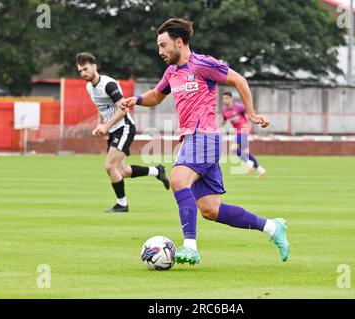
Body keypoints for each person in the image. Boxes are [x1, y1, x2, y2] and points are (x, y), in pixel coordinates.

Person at [121, 18, 289, 264]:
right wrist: (135, 99)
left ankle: (190, 247)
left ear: (179, 42)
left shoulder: (203, 64)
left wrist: (251, 114)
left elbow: (238, 80)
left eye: (163, 45)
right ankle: (272, 228)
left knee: (178, 179)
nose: (160, 51)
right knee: (211, 209)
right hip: (192, 138)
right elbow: (156, 96)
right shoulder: (171, 72)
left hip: (205, 137)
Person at [76, 52, 170, 213]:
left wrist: (106, 126)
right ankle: (157, 171)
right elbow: (101, 106)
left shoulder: (108, 85)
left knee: (109, 166)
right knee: (122, 170)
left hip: (124, 127)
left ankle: (122, 204)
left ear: (94, 67)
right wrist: (100, 123)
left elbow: (124, 109)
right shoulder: (89, 87)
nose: (83, 73)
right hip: (114, 129)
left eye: (85, 69)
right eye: (80, 71)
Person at [221, 91, 266, 178]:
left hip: (243, 130)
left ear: (231, 98)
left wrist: (248, 123)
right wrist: (222, 122)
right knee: (245, 152)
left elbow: (251, 112)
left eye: (226, 98)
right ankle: (260, 169)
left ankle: (248, 163)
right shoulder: (224, 110)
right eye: (223, 98)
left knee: (234, 149)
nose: (225, 100)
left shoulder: (239, 107)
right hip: (237, 131)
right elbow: (224, 119)